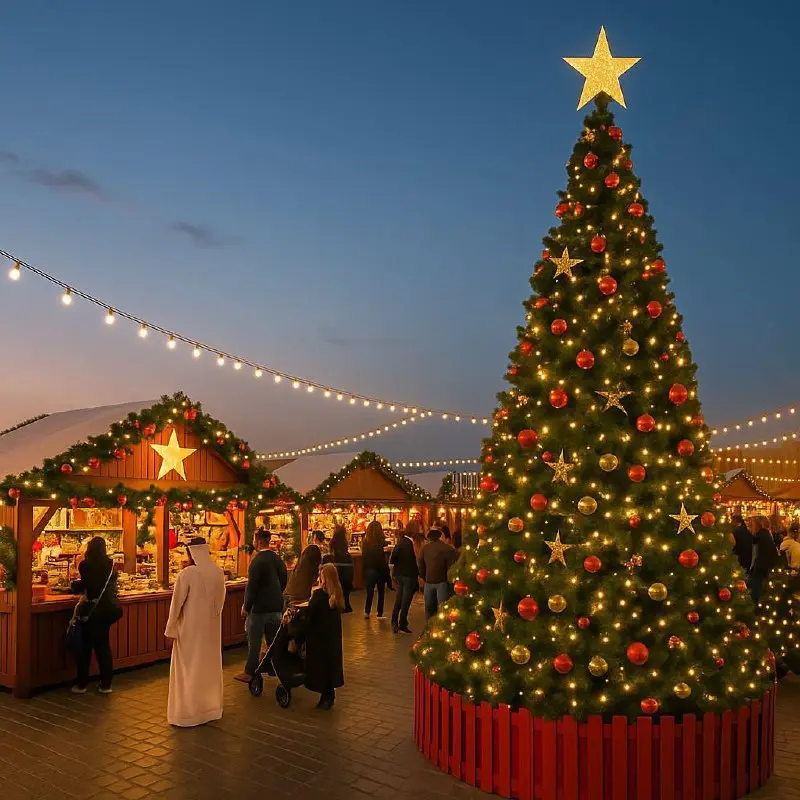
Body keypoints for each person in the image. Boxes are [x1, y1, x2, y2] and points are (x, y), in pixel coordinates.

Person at [165, 538, 227, 727]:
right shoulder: (217, 572)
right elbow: (221, 601)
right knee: (207, 666)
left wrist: (170, 629)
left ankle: (188, 712)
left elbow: (176, 605)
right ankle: (209, 707)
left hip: (189, 630)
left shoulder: (188, 574)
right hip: (211, 630)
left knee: (188, 669)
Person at [70, 536, 122, 695]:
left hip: (93, 610)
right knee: (103, 647)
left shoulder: (85, 565)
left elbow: (87, 585)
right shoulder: (110, 564)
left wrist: (73, 585)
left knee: (84, 648)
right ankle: (106, 684)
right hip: (109, 609)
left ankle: (82, 684)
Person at [235, 529, 288, 683]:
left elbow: (252, 587)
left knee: (255, 642)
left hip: (259, 609)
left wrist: (246, 606)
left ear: (258, 541)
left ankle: (250, 671)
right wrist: (277, 594)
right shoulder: (277, 559)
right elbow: (284, 578)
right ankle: (274, 667)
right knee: (273, 641)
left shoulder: (256, 562)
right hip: (276, 606)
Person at [304, 563, 345, 710]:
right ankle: (330, 696)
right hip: (332, 637)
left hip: (318, 637)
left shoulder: (319, 595)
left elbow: (310, 614)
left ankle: (325, 697)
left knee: (321, 667)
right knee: (330, 666)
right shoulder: (337, 594)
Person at [418, 528, 459, 620]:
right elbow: (451, 567)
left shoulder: (425, 548)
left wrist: (423, 576)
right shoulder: (447, 548)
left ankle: (429, 627)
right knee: (442, 607)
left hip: (429, 581)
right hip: (442, 581)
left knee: (429, 608)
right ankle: (441, 627)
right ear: (440, 537)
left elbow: (420, 564)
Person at [390, 527, 418, 634]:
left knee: (399, 599)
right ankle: (402, 623)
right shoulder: (409, 544)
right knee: (406, 600)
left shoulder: (401, 543)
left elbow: (393, 558)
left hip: (400, 575)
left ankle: (394, 621)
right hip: (408, 575)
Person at [323, 525, 354, 613]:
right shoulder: (344, 541)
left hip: (338, 565)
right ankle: (347, 605)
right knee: (346, 587)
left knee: (338, 585)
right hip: (346, 564)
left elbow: (331, 552)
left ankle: (339, 604)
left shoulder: (333, 542)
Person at [748, 517, 779, 603]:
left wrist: (751, 569)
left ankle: (755, 607)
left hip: (759, 567)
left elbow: (754, 555)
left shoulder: (757, 536)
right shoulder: (768, 535)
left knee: (755, 590)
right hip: (768, 566)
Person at [362, 520, 389, 618]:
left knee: (370, 592)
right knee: (381, 592)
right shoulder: (381, 541)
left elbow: (364, 557)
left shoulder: (366, 542)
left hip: (370, 570)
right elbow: (381, 558)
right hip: (380, 569)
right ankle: (380, 612)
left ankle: (367, 611)